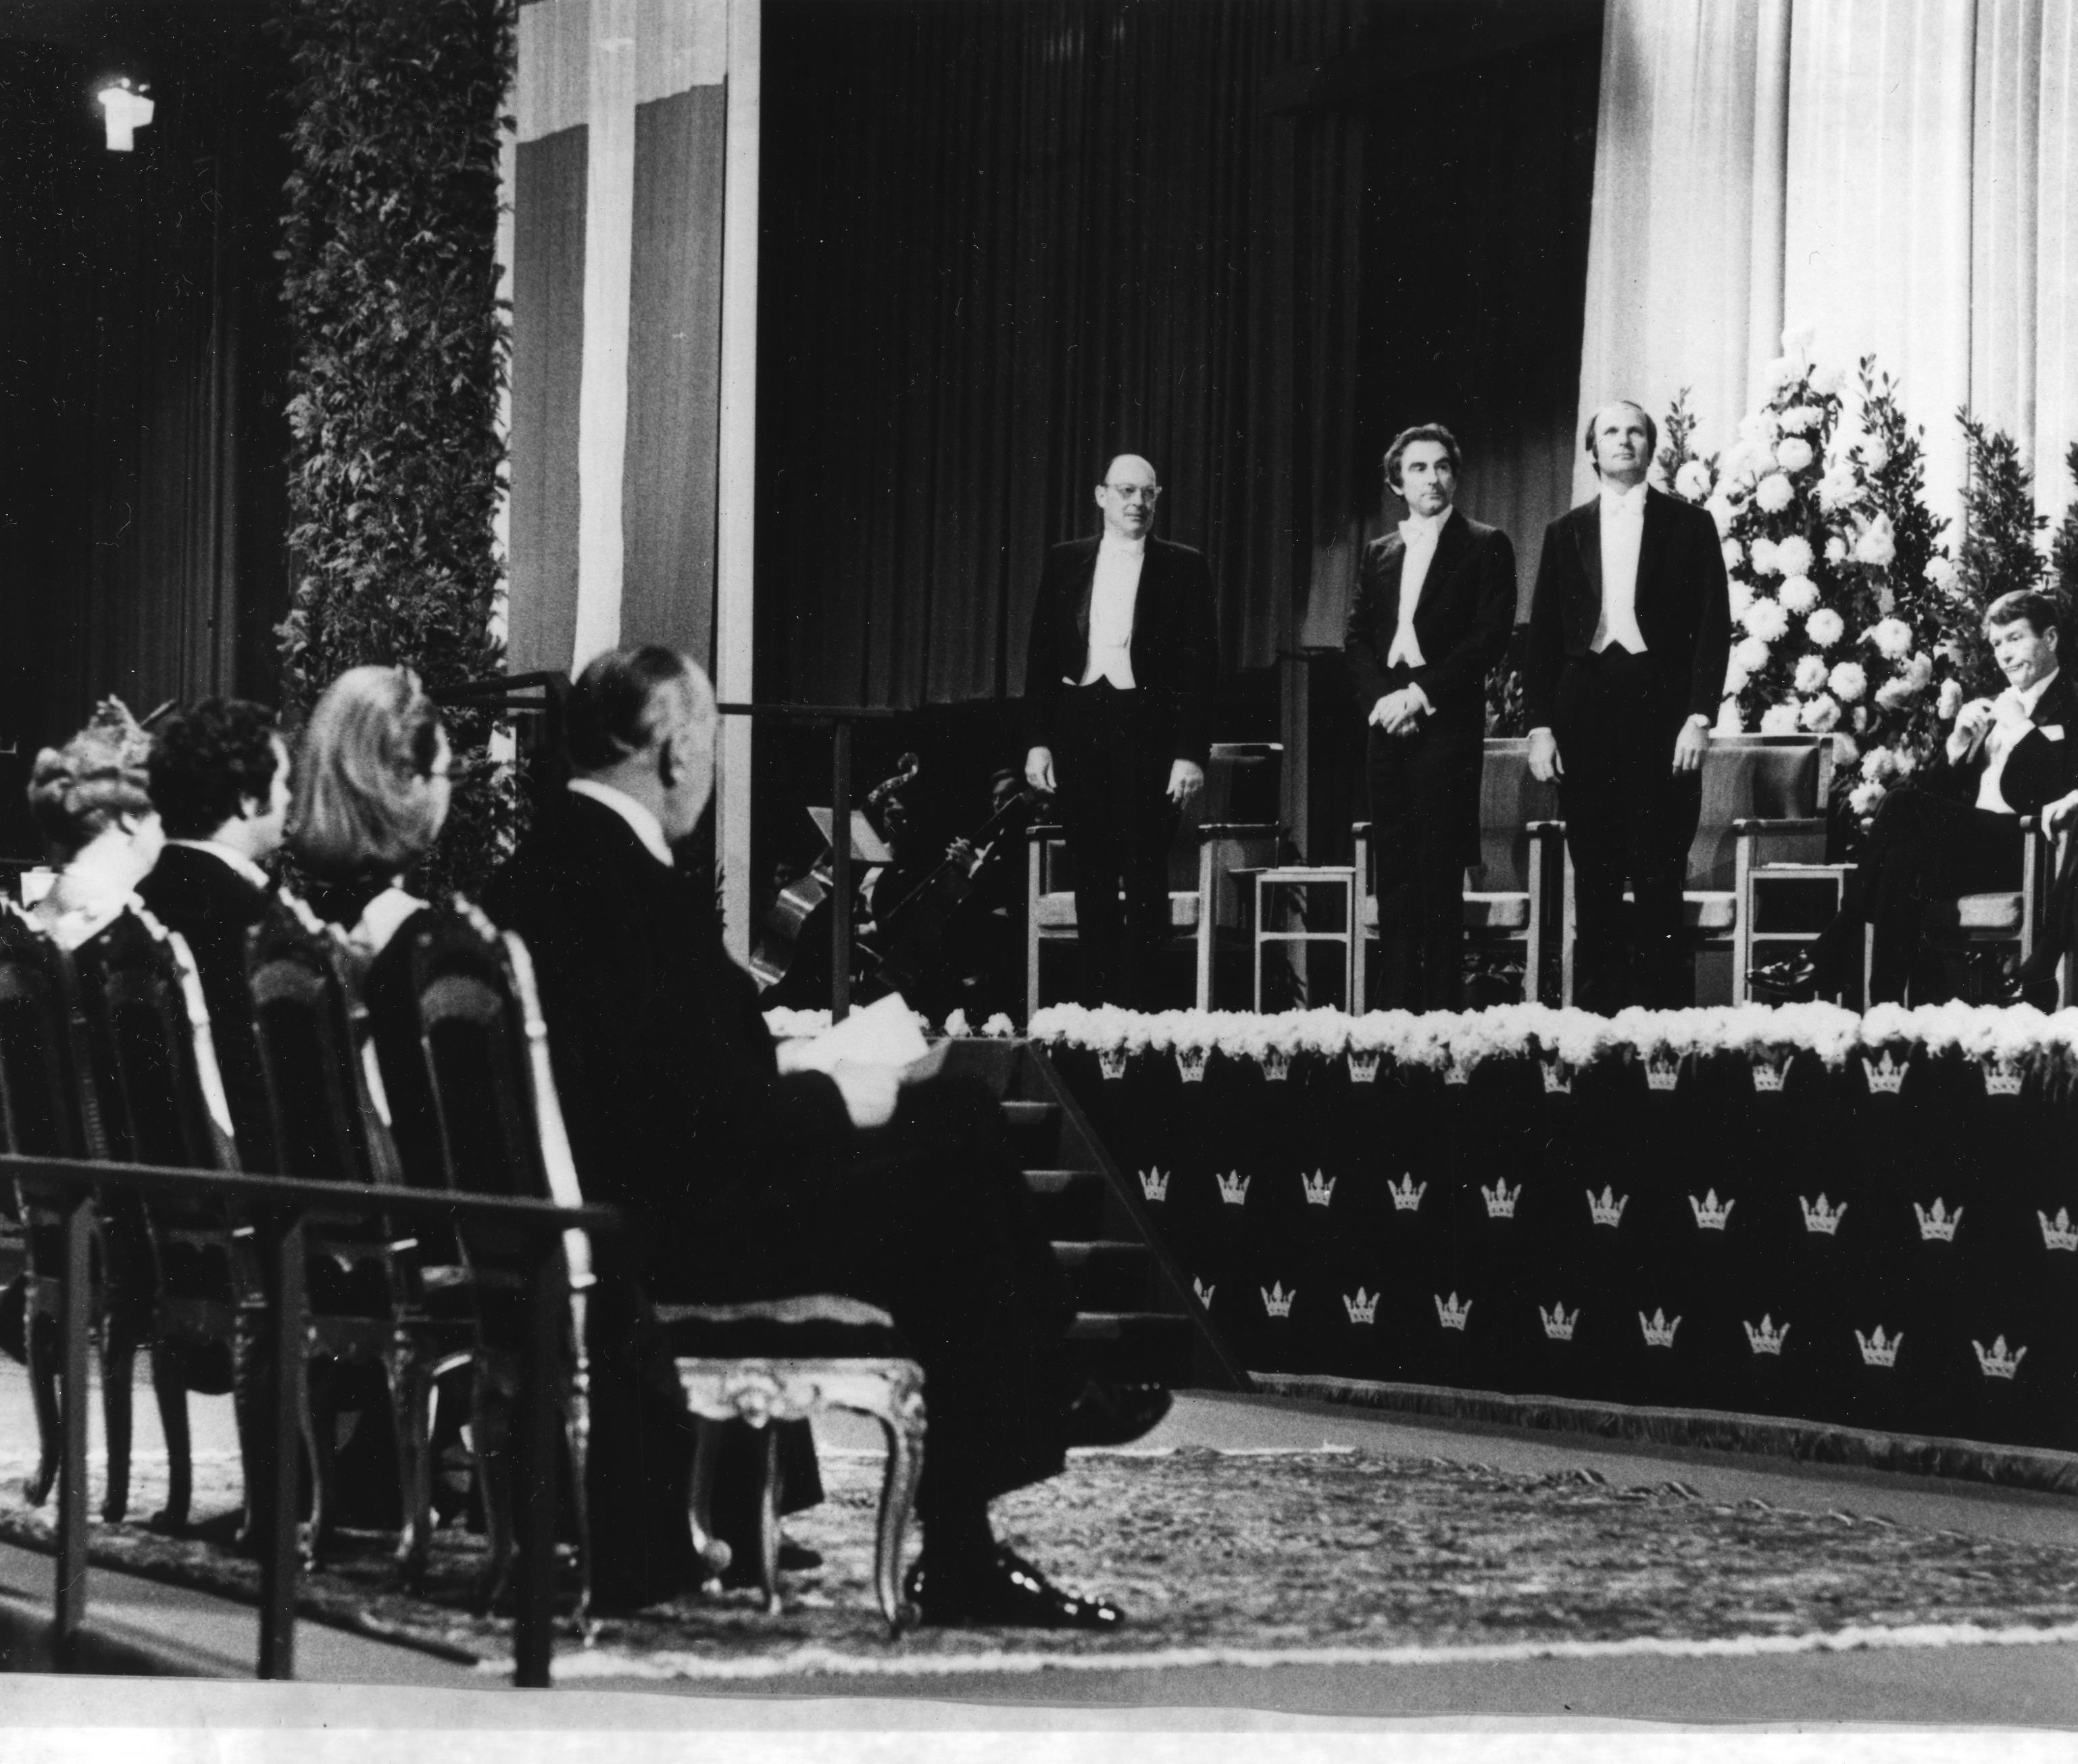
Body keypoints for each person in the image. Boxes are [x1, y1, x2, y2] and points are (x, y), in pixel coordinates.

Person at [487, 645, 1160, 1623]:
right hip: (670, 1232)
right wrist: (842, 1097)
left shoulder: (540, 871)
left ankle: (1036, 1398)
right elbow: (685, 1119)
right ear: (674, 748)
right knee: (954, 1138)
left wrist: (805, 1076)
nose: (709, 770)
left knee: (947, 1122)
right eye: (710, 741)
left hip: (616, 1210)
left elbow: (656, 1078)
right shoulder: (621, 883)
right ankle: (1003, 1468)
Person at [1525, 401, 1731, 1011]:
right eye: (1610, 431)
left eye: (1634, 431)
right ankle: (1595, 1027)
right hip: (1583, 713)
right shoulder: (1564, 532)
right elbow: (1542, 637)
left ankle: (1667, 1030)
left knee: (1657, 875)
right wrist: (1539, 725)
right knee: (1593, 879)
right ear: (1592, 450)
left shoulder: (1689, 526)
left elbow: (1712, 626)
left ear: (1649, 448)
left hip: (1661, 714)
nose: (1623, 440)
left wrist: (1699, 715)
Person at [1810, 590, 2078, 1005]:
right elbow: (1934, 798)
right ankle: (1884, 1011)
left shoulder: (2071, 707)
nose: (2005, 655)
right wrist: (1955, 748)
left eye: (2016, 639)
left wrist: (2023, 730)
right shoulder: (1990, 708)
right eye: (1997, 644)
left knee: (1900, 807)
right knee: (1903, 854)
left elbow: (2059, 794)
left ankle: (1830, 949)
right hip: (1969, 851)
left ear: (2051, 639)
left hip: (2025, 852)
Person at [1022, 454, 1218, 1008]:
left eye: (1147, 493)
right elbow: (1040, 655)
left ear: (1157, 499)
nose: (1137, 502)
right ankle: (1096, 1010)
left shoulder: (1184, 566)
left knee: (1145, 871)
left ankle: (1145, 1013)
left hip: (1148, 733)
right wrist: (1037, 739)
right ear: (1100, 495)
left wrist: (1190, 754)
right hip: (1080, 724)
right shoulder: (1066, 562)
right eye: (1126, 491)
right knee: (1091, 872)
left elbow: (1202, 667)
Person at [1343, 424, 1517, 1011]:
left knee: (1439, 879)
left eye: (1442, 466)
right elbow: (1357, 638)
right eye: (1418, 468)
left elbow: (1487, 638)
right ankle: (1393, 1017)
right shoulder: (1378, 551)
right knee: (1392, 878)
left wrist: (1418, 696)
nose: (1432, 478)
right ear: (1397, 481)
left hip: (1442, 721)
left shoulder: (1484, 543)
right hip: (1386, 724)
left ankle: (1441, 1021)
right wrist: (1381, 704)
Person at [139, 697, 295, 1172]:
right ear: (249, 800)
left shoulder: (136, 908)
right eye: (285, 782)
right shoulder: (261, 926)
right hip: (264, 1197)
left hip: (156, 1185)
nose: (290, 798)